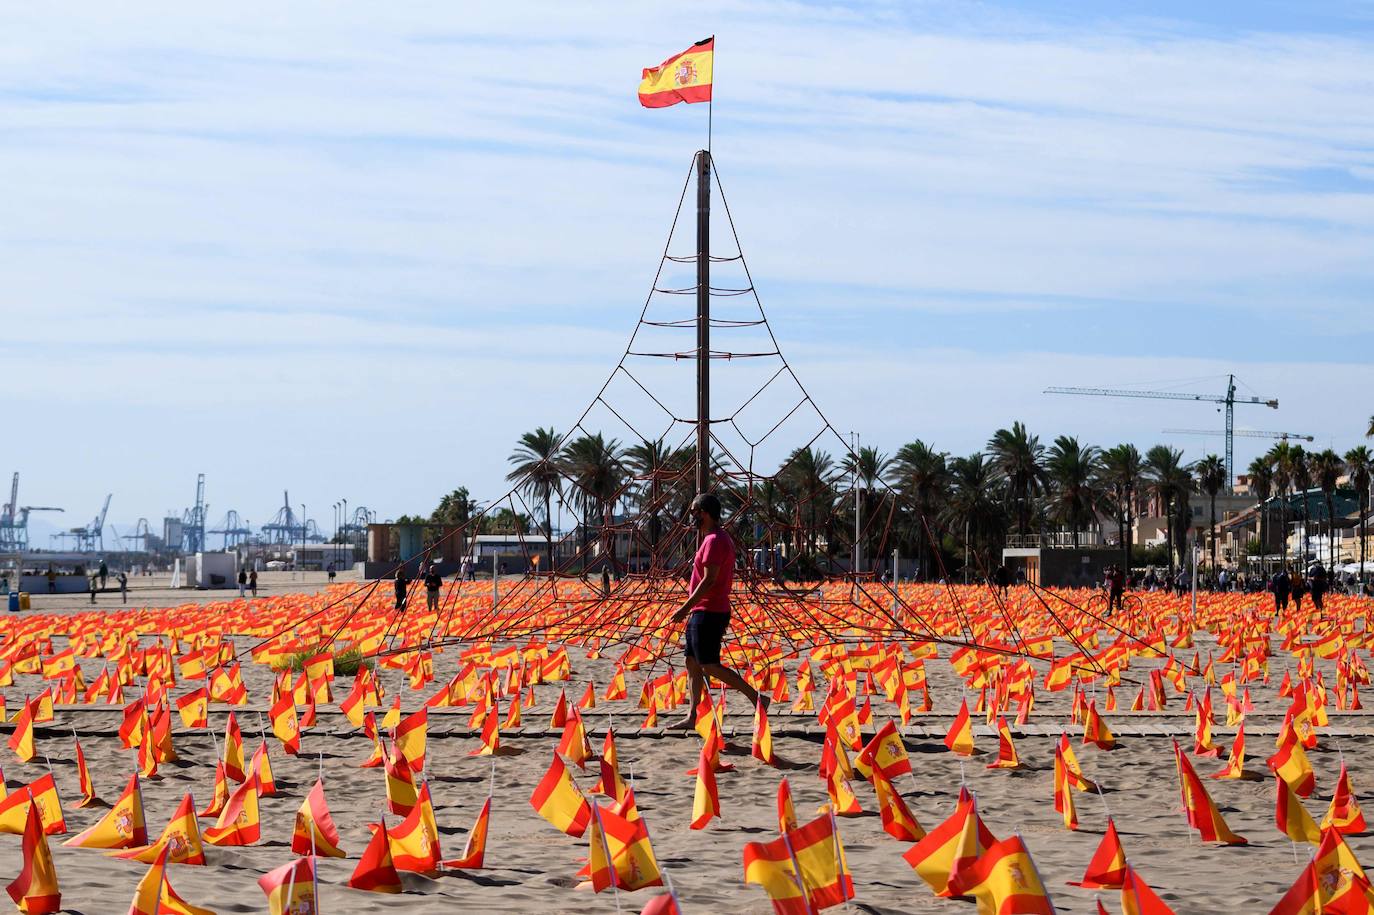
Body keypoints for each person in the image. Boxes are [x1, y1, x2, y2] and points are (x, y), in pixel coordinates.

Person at [669, 492, 765, 730]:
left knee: (709, 664)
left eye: (694, 512)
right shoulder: (711, 538)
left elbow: (709, 580)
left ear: (705, 513)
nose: (691, 517)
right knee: (691, 662)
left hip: (709, 611)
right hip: (701, 610)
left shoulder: (715, 540)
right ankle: (692, 717)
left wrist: (685, 607)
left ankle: (756, 698)